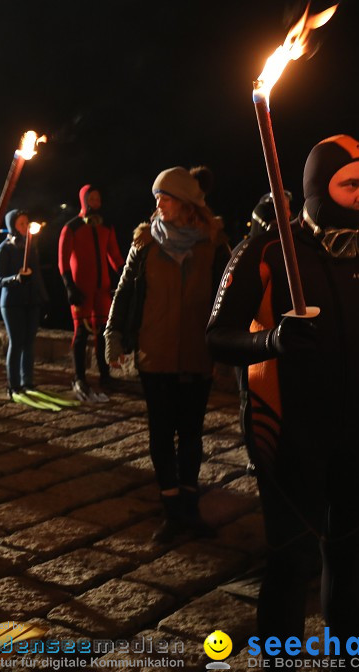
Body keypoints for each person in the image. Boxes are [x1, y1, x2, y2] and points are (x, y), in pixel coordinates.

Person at [206, 135, 359, 644]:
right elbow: (216, 337)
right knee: (292, 559)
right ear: (316, 188)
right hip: (286, 431)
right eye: (350, 183)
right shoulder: (265, 251)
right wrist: (271, 340)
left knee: (351, 557)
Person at [106, 167, 230, 543]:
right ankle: (172, 510)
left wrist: (230, 342)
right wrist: (114, 336)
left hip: (196, 351)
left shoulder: (213, 243)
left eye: (167, 197)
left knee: (191, 433)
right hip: (154, 351)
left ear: (187, 203)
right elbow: (124, 291)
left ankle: (191, 507)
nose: (159, 204)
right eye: (157, 197)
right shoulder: (144, 244)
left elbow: (229, 297)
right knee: (161, 432)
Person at [58, 184, 123, 401]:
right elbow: (63, 261)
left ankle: (105, 375)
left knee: (103, 332)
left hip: (102, 289)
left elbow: (114, 255)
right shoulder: (72, 227)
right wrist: (69, 287)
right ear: (84, 200)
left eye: (97, 198)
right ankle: (79, 377)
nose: (95, 202)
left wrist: (125, 275)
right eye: (91, 198)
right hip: (81, 290)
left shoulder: (107, 226)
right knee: (81, 334)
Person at [0, 209, 48, 399]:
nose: (25, 227)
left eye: (27, 223)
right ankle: (13, 385)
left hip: (31, 301)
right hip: (12, 303)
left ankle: (28, 382)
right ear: (13, 226)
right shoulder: (4, 249)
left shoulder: (31, 247)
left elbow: (37, 275)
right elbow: (0, 280)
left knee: (29, 343)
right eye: (21, 224)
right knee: (16, 343)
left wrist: (43, 297)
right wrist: (17, 278)